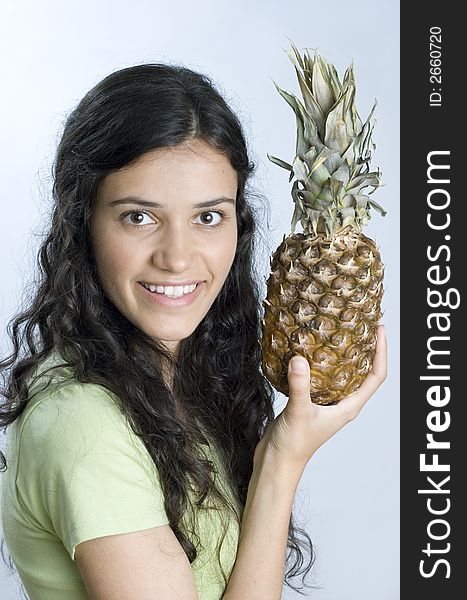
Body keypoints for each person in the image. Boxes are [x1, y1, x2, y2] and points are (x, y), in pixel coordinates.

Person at [0, 62, 387, 600]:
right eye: (139, 217)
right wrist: (282, 460)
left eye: (208, 217)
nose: (178, 258)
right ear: (81, 221)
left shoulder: (174, 380)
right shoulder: (85, 425)